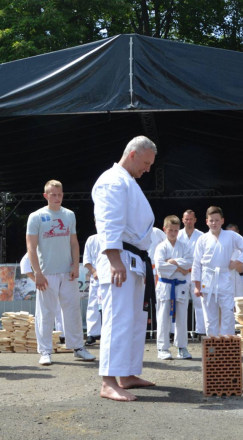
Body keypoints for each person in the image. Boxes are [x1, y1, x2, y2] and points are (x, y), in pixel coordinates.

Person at [92, 135, 158, 402]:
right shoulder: (112, 180)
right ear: (132, 154)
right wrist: (114, 259)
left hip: (134, 260)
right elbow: (108, 222)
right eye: (145, 162)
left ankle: (127, 374)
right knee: (117, 320)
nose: (148, 169)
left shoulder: (128, 181)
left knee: (133, 321)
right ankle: (108, 381)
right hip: (119, 258)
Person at [27, 180, 94, 366]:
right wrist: (37, 272)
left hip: (67, 271)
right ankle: (45, 351)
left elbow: (74, 242)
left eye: (59, 194)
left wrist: (75, 266)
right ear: (45, 195)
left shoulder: (69, 215)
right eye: (52, 194)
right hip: (46, 273)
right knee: (46, 312)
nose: (56, 197)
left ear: (62, 195)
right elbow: (31, 247)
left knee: (72, 310)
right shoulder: (36, 216)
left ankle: (78, 347)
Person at [192, 207, 243, 337]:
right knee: (210, 318)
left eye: (217, 220)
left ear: (222, 221)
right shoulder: (202, 239)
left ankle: (227, 348)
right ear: (207, 222)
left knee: (228, 315)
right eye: (211, 220)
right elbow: (197, 263)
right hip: (208, 279)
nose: (214, 223)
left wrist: (236, 263)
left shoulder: (231, 235)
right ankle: (212, 349)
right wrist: (197, 286)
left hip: (225, 277)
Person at [154, 215, 194, 360]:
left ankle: (182, 347)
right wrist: (179, 268)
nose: (173, 233)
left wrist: (173, 262)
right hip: (165, 285)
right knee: (163, 317)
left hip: (181, 286)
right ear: (165, 230)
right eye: (170, 230)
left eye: (176, 230)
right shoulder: (160, 247)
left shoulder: (184, 246)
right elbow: (160, 266)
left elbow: (190, 262)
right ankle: (163, 348)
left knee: (182, 317)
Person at [178, 210, 206, 339]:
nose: (188, 222)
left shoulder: (201, 236)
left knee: (199, 303)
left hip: (196, 274)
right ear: (182, 220)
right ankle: (177, 332)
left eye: (191, 219)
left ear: (195, 220)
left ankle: (200, 331)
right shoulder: (177, 235)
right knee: (180, 303)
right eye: (186, 219)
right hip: (181, 273)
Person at [83, 233, 102, 345]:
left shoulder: (114, 235)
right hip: (96, 277)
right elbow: (86, 260)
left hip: (111, 276)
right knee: (93, 305)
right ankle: (92, 334)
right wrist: (93, 271)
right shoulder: (91, 239)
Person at [226, 223, 243, 298]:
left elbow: (241, 270)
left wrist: (233, 264)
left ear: (237, 232)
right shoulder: (221, 247)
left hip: (237, 279)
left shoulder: (241, 249)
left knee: (238, 303)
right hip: (224, 279)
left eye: (234, 232)